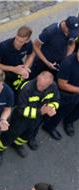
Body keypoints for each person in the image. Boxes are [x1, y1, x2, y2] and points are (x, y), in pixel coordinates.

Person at [28, 17, 78, 149]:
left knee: (50, 93)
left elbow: (72, 44)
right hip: (42, 65)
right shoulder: (50, 31)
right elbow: (36, 45)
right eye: (70, 31)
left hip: (57, 66)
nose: (72, 34)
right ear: (65, 26)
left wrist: (66, 58)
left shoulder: (72, 32)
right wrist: (47, 62)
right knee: (34, 88)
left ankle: (45, 115)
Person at [0, 71, 60, 161]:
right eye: (39, 83)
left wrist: (52, 108)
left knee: (27, 134)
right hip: (21, 119)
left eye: (43, 86)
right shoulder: (27, 88)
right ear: (37, 78)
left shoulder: (53, 86)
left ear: (50, 84)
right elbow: (21, 109)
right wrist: (40, 112)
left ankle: (17, 144)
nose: (39, 87)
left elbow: (56, 99)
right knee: (10, 135)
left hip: (36, 119)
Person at [42, 49, 79, 139]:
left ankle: (69, 121)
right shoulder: (68, 63)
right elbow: (62, 85)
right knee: (59, 112)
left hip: (76, 93)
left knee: (74, 110)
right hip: (65, 94)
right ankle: (48, 127)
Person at [0, 26, 35, 94]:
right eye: (16, 39)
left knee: (25, 89)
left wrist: (26, 67)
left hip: (18, 69)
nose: (17, 42)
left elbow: (31, 55)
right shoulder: (3, 46)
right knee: (5, 92)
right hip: (3, 71)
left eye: (21, 41)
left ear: (27, 40)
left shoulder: (29, 44)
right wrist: (13, 69)